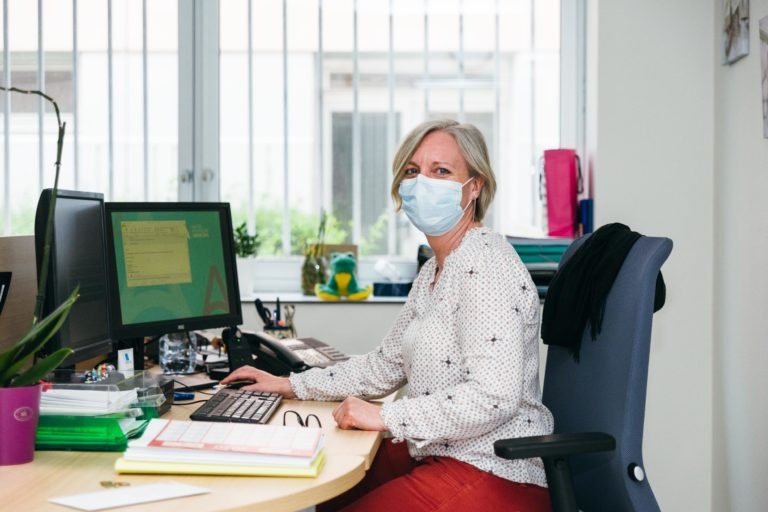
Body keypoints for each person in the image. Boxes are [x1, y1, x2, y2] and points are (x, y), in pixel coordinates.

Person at [222, 119, 554, 511]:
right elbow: (383, 366)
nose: (421, 182)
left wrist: (387, 416)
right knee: (329, 484)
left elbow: (493, 397)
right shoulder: (435, 270)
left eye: (441, 171)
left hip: (495, 467)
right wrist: (288, 384)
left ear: (475, 186)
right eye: (412, 171)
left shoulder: (486, 266)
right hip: (442, 447)